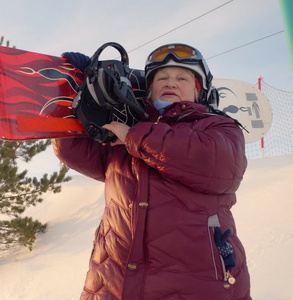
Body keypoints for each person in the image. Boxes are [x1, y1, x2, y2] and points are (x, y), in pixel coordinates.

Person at [54, 43, 251, 299]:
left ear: (197, 89)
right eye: (162, 78)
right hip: (113, 283)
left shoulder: (217, 126)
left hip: (198, 281)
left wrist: (135, 135)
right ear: (150, 89)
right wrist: (81, 94)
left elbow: (220, 165)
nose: (171, 82)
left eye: (182, 77)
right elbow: (76, 152)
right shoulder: (127, 130)